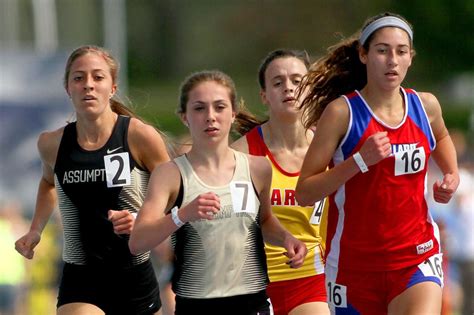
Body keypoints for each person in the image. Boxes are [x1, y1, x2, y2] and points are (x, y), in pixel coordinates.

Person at [294, 13, 460, 315]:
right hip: (353, 268)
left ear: (410, 57)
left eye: (401, 51)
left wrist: (451, 174)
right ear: (363, 54)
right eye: (382, 50)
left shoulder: (426, 106)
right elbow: (304, 193)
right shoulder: (341, 113)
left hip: (415, 256)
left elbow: (442, 134)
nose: (392, 60)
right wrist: (357, 161)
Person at [129, 70, 307, 315]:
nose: (210, 117)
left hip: (252, 302)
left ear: (233, 113)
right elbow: (138, 241)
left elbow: (264, 220)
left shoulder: (258, 168)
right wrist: (182, 215)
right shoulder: (169, 174)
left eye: (219, 107)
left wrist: (288, 239)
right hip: (197, 305)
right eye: (199, 108)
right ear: (184, 117)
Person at [14, 45, 170, 315]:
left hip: (133, 275)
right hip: (80, 276)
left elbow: (174, 187)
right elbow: (48, 183)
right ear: (68, 89)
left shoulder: (138, 136)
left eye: (98, 77)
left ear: (112, 88)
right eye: (79, 78)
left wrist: (143, 220)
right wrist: (36, 229)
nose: (88, 85)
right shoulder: (52, 144)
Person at [232, 49, 329, 315]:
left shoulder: (329, 147)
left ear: (311, 89)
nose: (289, 88)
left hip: (311, 279)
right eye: (278, 82)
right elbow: (235, 223)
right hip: (253, 283)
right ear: (264, 96)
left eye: (297, 81)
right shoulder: (243, 154)